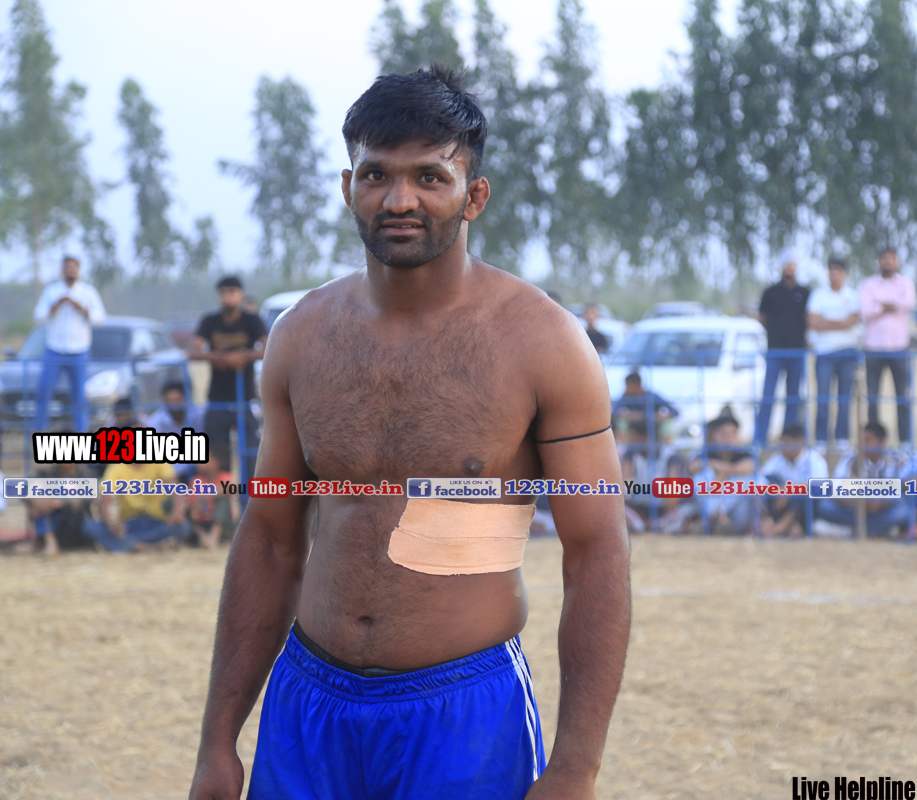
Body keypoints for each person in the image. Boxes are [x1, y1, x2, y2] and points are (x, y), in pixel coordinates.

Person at [188, 68, 629, 800]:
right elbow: (269, 539)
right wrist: (217, 740)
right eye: (377, 175)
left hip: (463, 710)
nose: (399, 200)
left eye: (429, 176)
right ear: (348, 187)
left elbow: (597, 552)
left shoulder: (543, 343)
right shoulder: (301, 336)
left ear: (473, 195)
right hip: (308, 701)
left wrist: (576, 766)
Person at [190, 276, 267, 473]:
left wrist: (243, 356)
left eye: (232, 292)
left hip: (246, 399)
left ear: (241, 295)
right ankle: (223, 493)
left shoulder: (252, 320)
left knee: (250, 457)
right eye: (223, 292)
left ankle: (248, 492)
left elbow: (267, 348)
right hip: (217, 400)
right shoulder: (210, 321)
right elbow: (193, 351)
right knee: (218, 459)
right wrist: (220, 357)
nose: (228, 297)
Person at [32, 256, 107, 432]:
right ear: (62, 270)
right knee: (44, 391)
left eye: (74, 268)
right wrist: (56, 304)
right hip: (55, 349)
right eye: (67, 268)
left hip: (79, 350)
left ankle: (81, 433)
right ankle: (40, 430)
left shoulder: (88, 292)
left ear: (78, 271)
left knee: (80, 396)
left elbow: (100, 319)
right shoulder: (52, 291)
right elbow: (38, 317)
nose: (70, 271)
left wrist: (81, 308)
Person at [860, 248, 916, 447]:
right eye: (884, 258)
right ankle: (873, 441)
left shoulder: (906, 283)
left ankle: (905, 440)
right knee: (872, 398)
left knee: (902, 397)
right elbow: (865, 310)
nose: (888, 262)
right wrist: (890, 305)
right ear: (878, 261)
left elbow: (908, 303)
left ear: (897, 261)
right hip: (873, 348)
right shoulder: (868, 284)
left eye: (892, 259)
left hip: (899, 348)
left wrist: (880, 305)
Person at [816, 422, 910, 537]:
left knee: (904, 512)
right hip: (853, 510)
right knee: (824, 506)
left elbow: (902, 492)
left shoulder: (898, 460)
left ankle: (855, 530)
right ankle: (877, 530)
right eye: (861, 440)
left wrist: (879, 504)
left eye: (868, 440)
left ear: (882, 442)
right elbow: (836, 491)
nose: (863, 445)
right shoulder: (851, 459)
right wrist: (858, 503)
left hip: (884, 511)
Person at [755, 255, 810, 444]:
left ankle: (789, 439)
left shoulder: (804, 292)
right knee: (768, 396)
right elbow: (762, 317)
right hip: (775, 352)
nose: (789, 268)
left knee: (793, 399)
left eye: (792, 265)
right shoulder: (770, 292)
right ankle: (760, 439)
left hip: (797, 353)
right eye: (786, 265)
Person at [808, 258, 860, 453]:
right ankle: (821, 439)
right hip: (824, 353)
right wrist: (842, 323)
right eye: (831, 270)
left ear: (845, 273)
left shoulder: (853, 295)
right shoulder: (818, 295)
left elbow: (854, 320)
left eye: (838, 270)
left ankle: (842, 438)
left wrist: (826, 322)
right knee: (822, 397)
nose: (834, 274)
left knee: (845, 398)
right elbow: (813, 322)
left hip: (848, 352)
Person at [82, 461, 188, 552]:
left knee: (182, 527)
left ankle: (128, 545)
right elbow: (105, 500)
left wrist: (177, 511)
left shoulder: (160, 464)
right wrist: (112, 523)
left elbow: (175, 488)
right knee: (90, 526)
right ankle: (146, 547)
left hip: (156, 520)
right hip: (128, 524)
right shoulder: (116, 468)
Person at [688, 411, 758, 535]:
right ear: (714, 436)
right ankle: (719, 516)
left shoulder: (744, 454)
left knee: (751, 481)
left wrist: (723, 473)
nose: (729, 438)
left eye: (733, 434)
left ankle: (718, 515)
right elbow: (692, 467)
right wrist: (718, 468)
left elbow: (752, 466)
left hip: (737, 514)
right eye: (724, 434)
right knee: (703, 475)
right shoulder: (706, 453)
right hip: (710, 505)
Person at [759, 423, 828, 534]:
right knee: (771, 481)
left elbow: (819, 486)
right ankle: (771, 525)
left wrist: (789, 491)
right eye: (782, 442)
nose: (783, 446)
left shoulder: (814, 460)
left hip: (804, 506)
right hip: (781, 503)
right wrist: (778, 489)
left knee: (804, 495)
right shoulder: (778, 458)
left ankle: (778, 529)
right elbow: (761, 477)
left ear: (800, 443)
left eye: (787, 442)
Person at [26, 462, 94, 555]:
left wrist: (61, 502)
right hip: (53, 517)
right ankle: (49, 540)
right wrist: (34, 502)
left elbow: (84, 500)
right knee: (39, 500)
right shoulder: (47, 473)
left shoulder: (85, 474)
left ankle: (47, 542)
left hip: (76, 522)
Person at [188, 457, 239, 549]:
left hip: (223, 524)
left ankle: (214, 536)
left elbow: (231, 487)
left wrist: (206, 496)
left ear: (216, 462)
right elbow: (192, 502)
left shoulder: (225, 476)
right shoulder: (196, 480)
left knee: (223, 499)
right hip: (203, 523)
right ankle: (205, 539)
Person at [611, 371, 678, 437]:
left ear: (637, 385)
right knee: (622, 422)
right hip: (634, 428)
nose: (626, 388)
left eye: (628, 386)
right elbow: (614, 413)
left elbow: (674, 411)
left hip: (653, 426)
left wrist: (660, 416)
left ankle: (666, 443)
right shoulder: (626, 397)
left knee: (667, 423)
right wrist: (628, 415)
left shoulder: (652, 397)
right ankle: (623, 443)